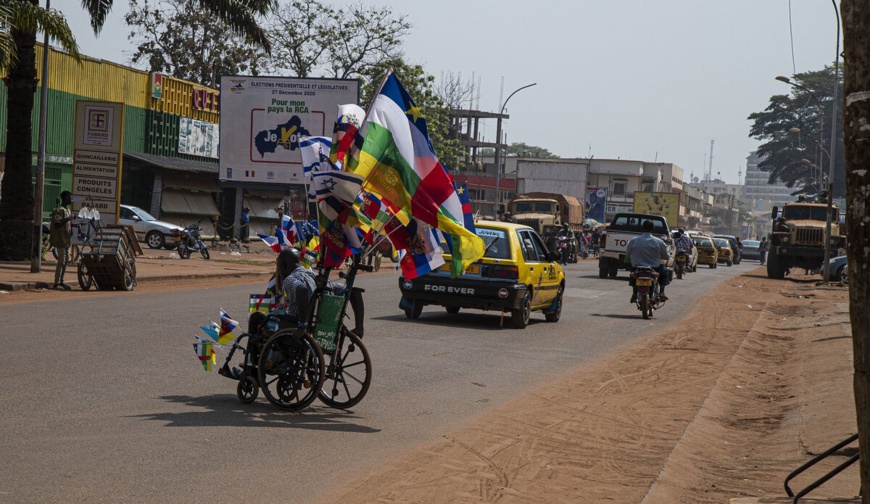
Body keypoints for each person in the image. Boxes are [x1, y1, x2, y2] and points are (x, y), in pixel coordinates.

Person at [625, 220, 671, 303]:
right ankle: (661, 292)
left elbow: (628, 254)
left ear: (642, 228)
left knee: (633, 274)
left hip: (637, 267)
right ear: (653, 228)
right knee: (665, 271)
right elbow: (666, 256)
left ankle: (634, 293)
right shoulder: (659, 242)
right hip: (654, 268)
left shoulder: (633, 241)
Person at [50, 191, 74, 290]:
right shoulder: (60, 210)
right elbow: (57, 224)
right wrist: (68, 218)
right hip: (60, 239)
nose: (71, 199)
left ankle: (61, 281)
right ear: (65, 198)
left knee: (66, 260)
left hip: (66, 239)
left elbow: (67, 224)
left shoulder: (67, 210)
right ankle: (56, 283)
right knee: (61, 260)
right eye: (70, 197)